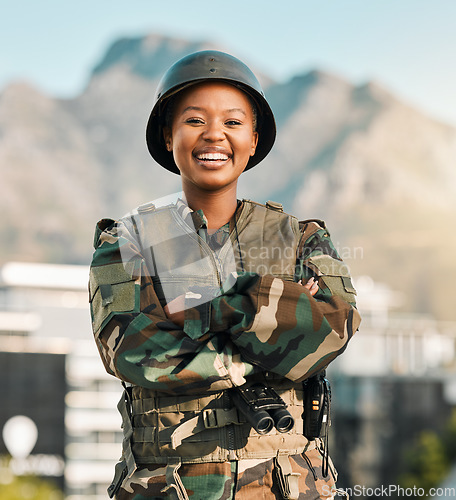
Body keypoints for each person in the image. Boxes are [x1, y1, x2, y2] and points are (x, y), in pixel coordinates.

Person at [89, 50, 361, 500]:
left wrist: (220, 308)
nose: (214, 134)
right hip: (168, 485)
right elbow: (134, 353)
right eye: (194, 120)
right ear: (168, 135)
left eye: (233, 122)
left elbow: (334, 332)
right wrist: (278, 318)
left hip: (289, 485)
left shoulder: (300, 237)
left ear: (253, 139)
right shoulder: (129, 241)